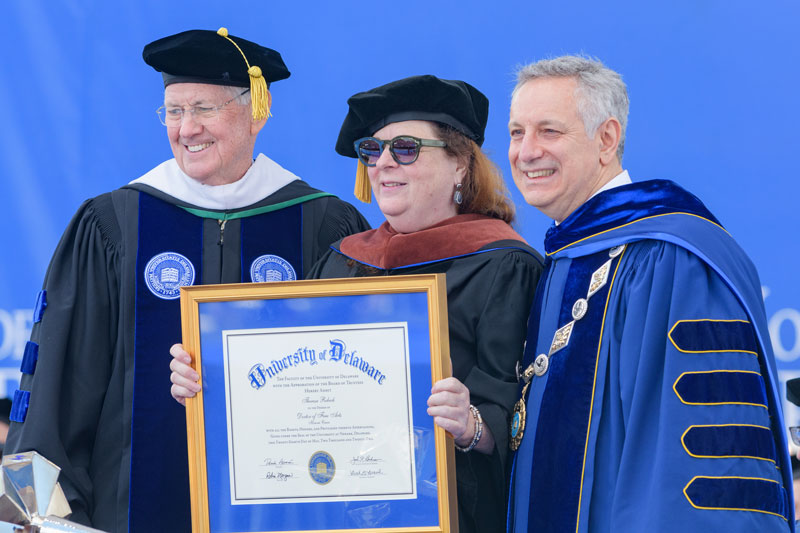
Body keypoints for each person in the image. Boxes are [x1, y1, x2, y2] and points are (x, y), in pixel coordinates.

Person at [5, 28, 368, 533]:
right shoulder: (114, 223)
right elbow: (58, 389)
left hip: (285, 513)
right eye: (173, 111)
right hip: (124, 515)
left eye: (204, 108)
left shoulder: (320, 226)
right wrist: (39, 516)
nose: (186, 128)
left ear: (256, 113)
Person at [171, 74, 544, 532]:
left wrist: (472, 426)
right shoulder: (343, 260)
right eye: (372, 150)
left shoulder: (504, 266)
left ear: (460, 165)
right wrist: (209, 378)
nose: (383, 162)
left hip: (450, 516)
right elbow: (291, 380)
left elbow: (522, 418)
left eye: (405, 148)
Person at [505, 55, 794, 532]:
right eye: (517, 133)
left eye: (549, 131)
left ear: (607, 139)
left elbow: (702, 465)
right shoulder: (564, 259)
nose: (527, 151)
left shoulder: (670, 260)